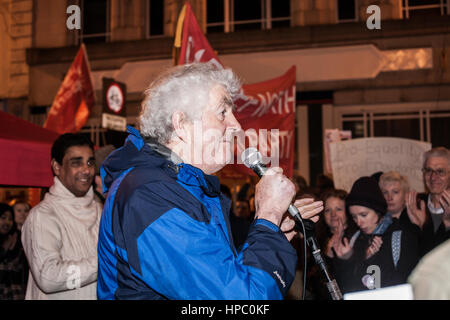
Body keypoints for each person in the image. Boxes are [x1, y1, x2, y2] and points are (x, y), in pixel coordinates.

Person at [97, 62, 324, 300]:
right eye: (223, 113)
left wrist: (274, 232)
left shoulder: (187, 189)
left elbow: (224, 274)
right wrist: (267, 216)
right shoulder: (147, 196)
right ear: (182, 124)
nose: (236, 125)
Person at [21, 133, 102, 300]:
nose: (86, 170)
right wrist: (105, 261)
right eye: (76, 163)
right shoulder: (42, 216)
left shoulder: (100, 210)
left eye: (90, 162)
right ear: (57, 167)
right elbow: (48, 278)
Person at [331, 176, 420, 294]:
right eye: (354, 217)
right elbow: (346, 288)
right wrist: (346, 260)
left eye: (363, 215)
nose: (359, 222)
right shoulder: (355, 238)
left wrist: (373, 260)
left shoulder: (400, 236)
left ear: (378, 210)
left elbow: (404, 285)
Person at [406, 147, 450, 255]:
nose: (433, 177)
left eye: (440, 171)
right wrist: (419, 227)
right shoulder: (414, 206)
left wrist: (448, 226)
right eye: (428, 170)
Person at [0, 203, 28, 299]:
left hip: (15, 294)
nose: (7, 222)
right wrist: (4, 250)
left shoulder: (17, 239)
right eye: (3, 218)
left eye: (10, 219)